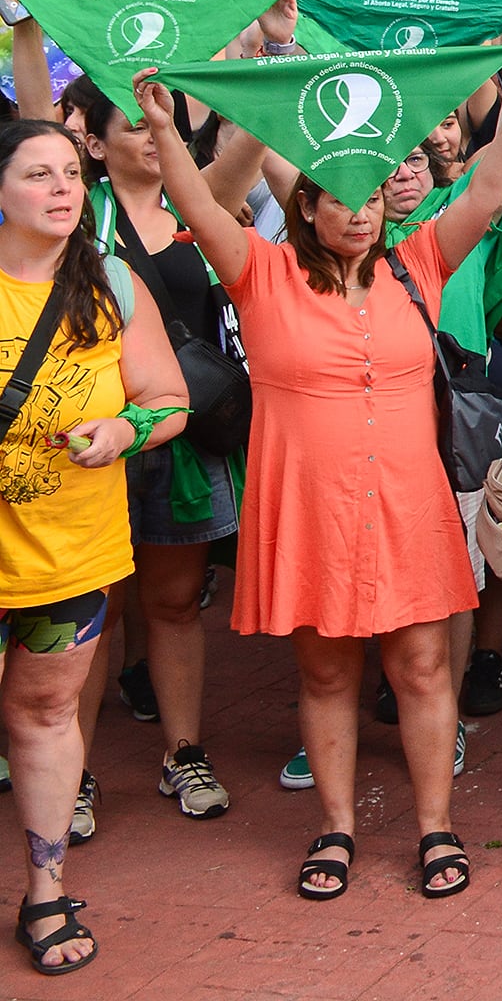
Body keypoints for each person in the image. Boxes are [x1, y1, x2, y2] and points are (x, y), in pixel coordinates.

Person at [136, 45, 502, 906]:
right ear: (306, 208)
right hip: (309, 509)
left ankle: (436, 825)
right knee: (325, 676)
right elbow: (191, 204)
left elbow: (488, 187)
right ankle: (337, 827)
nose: (360, 214)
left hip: (406, 502)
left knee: (425, 670)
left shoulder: (420, 260)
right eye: (339, 200)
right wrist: (168, 129)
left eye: (369, 201)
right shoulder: (259, 273)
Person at [0, 118, 191, 975]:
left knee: (44, 718)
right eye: (37, 175)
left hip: (68, 555)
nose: (62, 189)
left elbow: (169, 399)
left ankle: (45, 891)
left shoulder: (112, 281)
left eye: (70, 174)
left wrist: (125, 426)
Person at [67, 73, 267, 823]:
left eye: (166, 131)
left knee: (176, 603)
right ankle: (73, 769)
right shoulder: (76, 219)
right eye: (137, 130)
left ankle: (183, 754)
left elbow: (250, 138)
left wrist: (273, 48)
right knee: (98, 610)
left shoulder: (198, 206)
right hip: (93, 442)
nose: (155, 141)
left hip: (187, 435)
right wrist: (27, 24)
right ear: (94, 143)